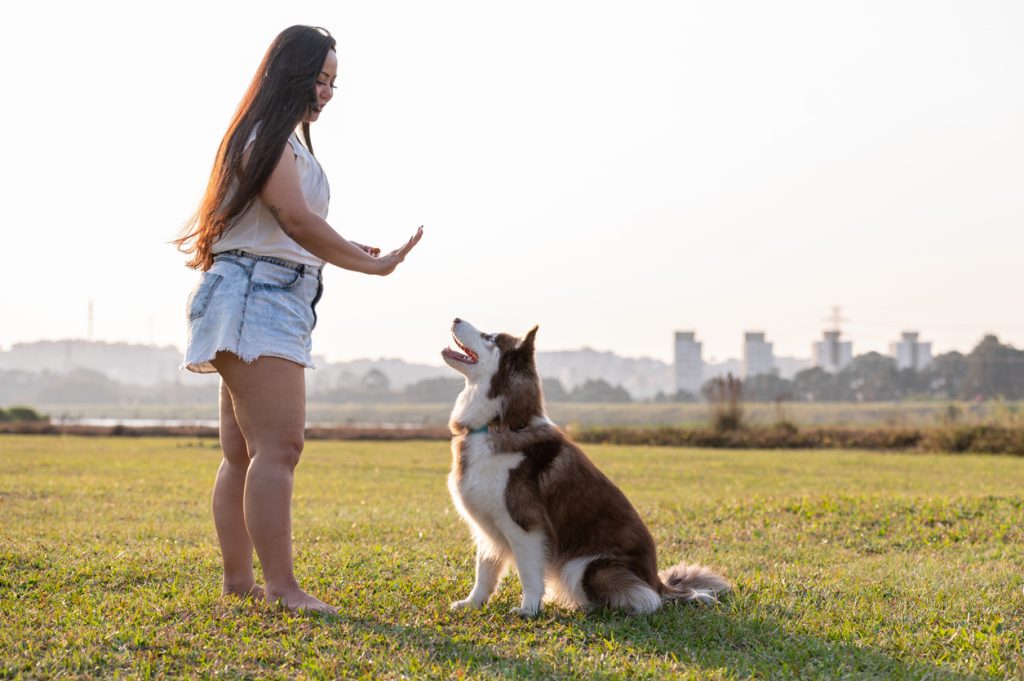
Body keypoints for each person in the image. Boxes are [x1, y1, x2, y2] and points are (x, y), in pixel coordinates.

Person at [173, 25, 423, 614]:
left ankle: (241, 584)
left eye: (334, 81)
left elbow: (294, 228)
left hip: (257, 289)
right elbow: (293, 219)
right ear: (292, 75)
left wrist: (340, 248)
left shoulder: (277, 138)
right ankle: (282, 588)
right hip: (258, 295)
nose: (328, 91)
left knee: (245, 453)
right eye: (320, 78)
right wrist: (372, 264)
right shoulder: (270, 137)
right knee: (280, 448)